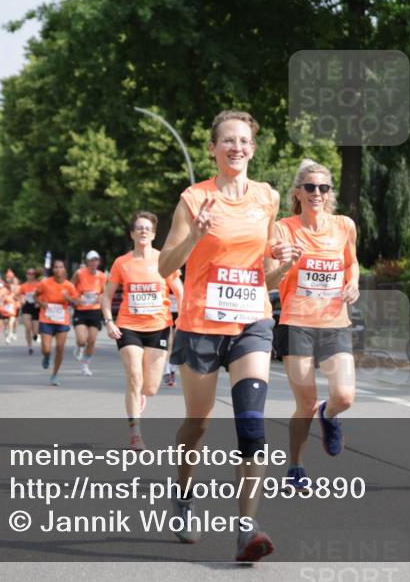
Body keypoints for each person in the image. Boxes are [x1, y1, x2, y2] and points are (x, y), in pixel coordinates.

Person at [158, 110, 292, 562]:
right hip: (200, 325)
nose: (236, 147)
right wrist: (194, 235)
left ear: (253, 149)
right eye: (227, 141)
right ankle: (182, 494)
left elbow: (269, 276)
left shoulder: (268, 197)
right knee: (197, 426)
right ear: (213, 149)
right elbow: (164, 267)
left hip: (252, 322)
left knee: (251, 425)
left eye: (244, 141)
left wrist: (285, 262)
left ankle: (246, 529)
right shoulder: (194, 199)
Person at [269, 159, 359, 490]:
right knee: (305, 403)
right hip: (296, 323)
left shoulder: (344, 225)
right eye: (310, 187)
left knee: (345, 396)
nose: (317, 193)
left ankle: (330, 414)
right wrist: (285, 264)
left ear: (329, 193)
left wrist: (354, 283)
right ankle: (295, 464)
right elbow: (270, 273)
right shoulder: (283, 228)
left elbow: (352, 263)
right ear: (298, 192)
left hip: (335, 321)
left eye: (323, 187)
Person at [103, 212, 183, 449]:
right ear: (132, 233)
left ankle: (141, 395)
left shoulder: (164, 261)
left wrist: (186, 319)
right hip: (128, 326)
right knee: (134, 378)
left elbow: (180, 292)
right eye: (138, 228)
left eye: (147, 228)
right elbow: (106, 297)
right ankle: (135, 433)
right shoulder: (122, 263)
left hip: (159, 327)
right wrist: (109, 322)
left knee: (150, 386)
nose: (143, 231)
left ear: (154, 234)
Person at [36, 259, 81, 386]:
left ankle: (55, 374)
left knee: (60, 348)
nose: (58, 269)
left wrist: (69, 298)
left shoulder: (69, 286)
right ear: (52, 269)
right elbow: (36, 296)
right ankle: (46, 356)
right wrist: (41, 303)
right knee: (46, 348)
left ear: (64, 269)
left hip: (62, 320)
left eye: (60, 267)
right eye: (55, 267)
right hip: (46, 319)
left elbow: (77, 303)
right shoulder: (45, 283)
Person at [71, 250, 108, 376]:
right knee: (82, 340)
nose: (94, 262)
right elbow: (70, 287)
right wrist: (77, 298)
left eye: (96, 260)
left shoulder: (102, 276)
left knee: (91, 340)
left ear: (99, 261)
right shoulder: (79, 273)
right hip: (81, 310)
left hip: (94, 310)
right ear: (87, 261)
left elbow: (105, 292)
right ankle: (79, 346)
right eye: (91, 260)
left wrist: (100, 297)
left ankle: (85, 365)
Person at [18, 268, 42, 355]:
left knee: (35, 330)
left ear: (35, 275)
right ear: (26, 275)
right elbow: (17, 295)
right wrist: (21, 299)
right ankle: (30, 346)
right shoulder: (23, 286)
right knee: (27, 327)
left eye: (32, 273)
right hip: (27, 306)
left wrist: (39, 303)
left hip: (36, 306)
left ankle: (35, 335)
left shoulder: (39, 285)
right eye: (28, 273)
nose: (30, 275)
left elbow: (44, 295)